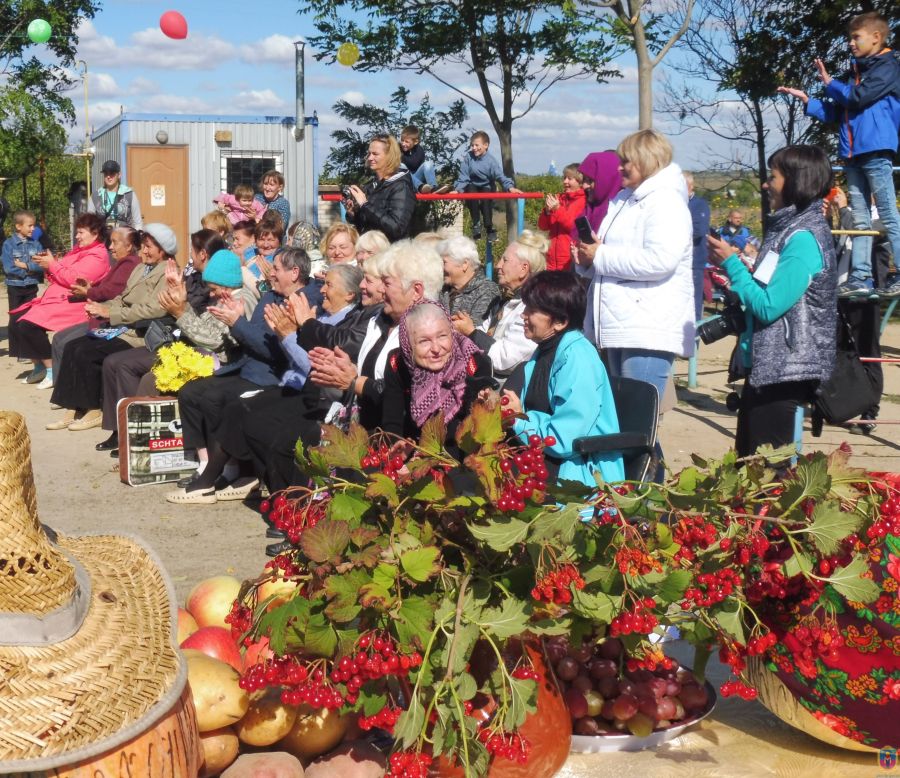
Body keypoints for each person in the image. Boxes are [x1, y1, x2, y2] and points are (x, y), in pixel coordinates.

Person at [707, 145, 837, 457]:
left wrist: (732, 265)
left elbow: (768, 306)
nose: (766, 184)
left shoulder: (803, 239)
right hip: (769, 366)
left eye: (774, 177)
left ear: (796, 181)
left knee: (765, 475)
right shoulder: (787, 229)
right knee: (748, 467)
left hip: (785, 368)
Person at [575, 129, 694, 467]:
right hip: (621, 323)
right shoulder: (627, 201)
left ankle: (646, 499)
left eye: (626, 161)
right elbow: (612, 256)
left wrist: (600, 255)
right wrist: (589, 259)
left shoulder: (666, 203)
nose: (620, 168)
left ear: (646, 160)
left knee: (637, 425)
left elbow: (660, 260)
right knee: (625, 423)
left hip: (647, 327)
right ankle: (634, 497)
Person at [168, 248, 312, 503]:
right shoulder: (270, 298)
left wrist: (237, 323)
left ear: (294, 272)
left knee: (218, 399)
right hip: (248, 367)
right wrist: (239, 323)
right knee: (193, 392)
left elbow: (273, 351)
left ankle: (235, 470)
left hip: (269, 375)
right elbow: (256, 340)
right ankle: (213, 465)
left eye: (276, 268)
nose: (271, 273)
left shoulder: (302, 301)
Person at [778, 11, 900, 298]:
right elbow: (839, 109)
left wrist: (830, 82)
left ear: (876, 37)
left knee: (887, 213)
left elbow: (858, 98)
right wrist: (810, 102)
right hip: (853, 153)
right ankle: (860, 276)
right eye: (849, 38)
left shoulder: (887, 67)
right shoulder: (854, 74)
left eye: (856, 37)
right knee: (859, 217)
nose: (850, 43)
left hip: (876, 150)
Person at [94, 247, 245, 455]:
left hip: (220, 364)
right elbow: (203, 327)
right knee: (133, 369)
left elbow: (214, 341)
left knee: (150, 378)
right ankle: (134, 439)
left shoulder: (239, 301)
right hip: (199, 353)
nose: (210, 293)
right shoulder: (222, 298)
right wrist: (182, 305)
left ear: (227, 284)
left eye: (214, 288)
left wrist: (180, 312)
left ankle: (141, 444)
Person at [501, 271, 624, 487]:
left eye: (532, 310)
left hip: (578, 474)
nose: (523, 315)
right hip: (545, 458)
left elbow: (564, 439)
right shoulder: (544, 352)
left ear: (560, 321)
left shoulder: (579, 359)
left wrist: (518, 418)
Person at [46, 224, 174, 432]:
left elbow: (152, 310)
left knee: (88, 352)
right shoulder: (141, 268)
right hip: (121, 326)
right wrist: (102, 307)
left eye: (150, 247)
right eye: (144, 246)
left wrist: (110, 313)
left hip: (139, 332)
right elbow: (122, 298)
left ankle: (94, 409)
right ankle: (73, 407)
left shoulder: (166, 272)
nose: (145, 251)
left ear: (164, 249)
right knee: (73, 346)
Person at [7, 213, 110, 387]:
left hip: (75, 303)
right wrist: (48, 266)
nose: (76, 236)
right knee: (17, 320)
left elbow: (75, 280)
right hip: (59, 298)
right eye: (77, 232)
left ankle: (51, 368)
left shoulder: (98, 256)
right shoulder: (79, 250)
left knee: (28, 324)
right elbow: (59, 273)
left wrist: (52, 265)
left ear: (95, 233)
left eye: (81, 233)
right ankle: (38, 365)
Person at [382, 300, 495, 454]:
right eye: (424, 341)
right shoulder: (397, 362)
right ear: (408, 345)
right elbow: (392, 420)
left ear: (451, 333)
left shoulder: (472, 362)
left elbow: (473, 431)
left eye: (442, 336)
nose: (436, 348)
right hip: (414, 450)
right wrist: (397, 446)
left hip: (461, 455)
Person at [49, 226, 143, 381]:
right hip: (100, 315)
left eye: (114, 242)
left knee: (67, 343)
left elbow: (111, 291)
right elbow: (107, 287)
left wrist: (89, 292)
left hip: (109, 319)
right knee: (60, 338)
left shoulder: (129, 264)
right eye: (110, 242)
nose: (110, 247)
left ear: (129, 246)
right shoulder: (121, 262)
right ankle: (61, 385)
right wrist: (91, 288)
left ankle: (67, 386)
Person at [452, 230, 546, 382]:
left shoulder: (535, 308)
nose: (497, 265)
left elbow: (505, 360)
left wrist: (471, 332)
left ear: (524, 269)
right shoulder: (504, 302)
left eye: (505, 260)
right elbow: (483, 330)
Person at [344, 134, 417, 242]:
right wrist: (353, 214)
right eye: (369, 153)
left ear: (389, 156)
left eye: (375, 154)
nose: (369, 158)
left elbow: (397, 228)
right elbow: (367, 225)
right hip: (369, 251)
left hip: (391, 254)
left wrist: (365, 204)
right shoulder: (371, 186)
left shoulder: (401, 186)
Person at [453, 131, 522, 242]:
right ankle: (476, 225)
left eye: (477, 145)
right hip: (472, 185)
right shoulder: (468, 158)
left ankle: (489, 228)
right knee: (470, 191)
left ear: (486, 145)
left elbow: (500, 176)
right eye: (472, 145)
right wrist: (458, 190)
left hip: (487, 185)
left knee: (486, 196)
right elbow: (464, 176)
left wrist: (510, 187)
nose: (474, 148)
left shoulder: (490, 161)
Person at [438, 235, 499, 321]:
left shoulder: (486, 291)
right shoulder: (443, 289)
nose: (441, 267)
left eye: (444, 262)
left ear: (464, 264)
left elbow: (477, 330)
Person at [537, 164, 586, 272]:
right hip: (551, 259)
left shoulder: (583, 202)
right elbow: (542, 226)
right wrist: (547, 211)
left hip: (569, 261)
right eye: (564, 178)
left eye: (569, 178)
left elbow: (573, 227)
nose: (565, 182)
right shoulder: (559, 199)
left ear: (580, 181)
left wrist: (558, 209)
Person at [2, 210, 44, 319]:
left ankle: (28, 336)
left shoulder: (36, 244)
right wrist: (30, 271)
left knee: (30, 317)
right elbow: (8, 268)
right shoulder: (9, 244)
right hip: (15, 286)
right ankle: (15, 336)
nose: (33, 229)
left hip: (31, 287)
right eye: (30, 226)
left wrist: (25, 266)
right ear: (18, 226)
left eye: (33, 225)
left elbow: (42, 265)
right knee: (16, 316)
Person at [575, 151, 622, 240]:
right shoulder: (588, 211)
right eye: (584, 180)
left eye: (590, 180)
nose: (584, 186)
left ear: (606, 180)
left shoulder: (621, 213)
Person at [684, 172, 711, 322]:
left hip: (694, 263)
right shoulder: (674, 203)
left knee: (693, 306)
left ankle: (693, 342)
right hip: (677, 262)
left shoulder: (699, 204)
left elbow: (698, 230)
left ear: (690, 186)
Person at [86, 159, 142, 230]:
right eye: (106, 173)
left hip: (124, 238)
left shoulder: (129, 194)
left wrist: (137, 238)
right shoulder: (95, 196)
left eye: (112, 173)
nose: (108, 176)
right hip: (103, 238)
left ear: (119, 175)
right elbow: (89, 222)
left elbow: (138, 222)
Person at [399, 125, 450, 194]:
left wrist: (401, 156)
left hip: (416, 178)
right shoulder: (398, 148)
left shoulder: (419, 150)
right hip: (405, 181)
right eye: (402, 141)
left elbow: (413, 164)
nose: (403, 144)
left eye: (407, 142)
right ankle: (420, 187)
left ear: (415, 142)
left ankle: (433, 187)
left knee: (428, 163)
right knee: (401, 166)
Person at [253, 170, 290, 235]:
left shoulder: (283, 203)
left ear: (280, 187)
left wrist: (256, 219)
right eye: (265, 184)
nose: (267, 188)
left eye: (271, 185)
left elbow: (281, 228)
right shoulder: (257, 198)